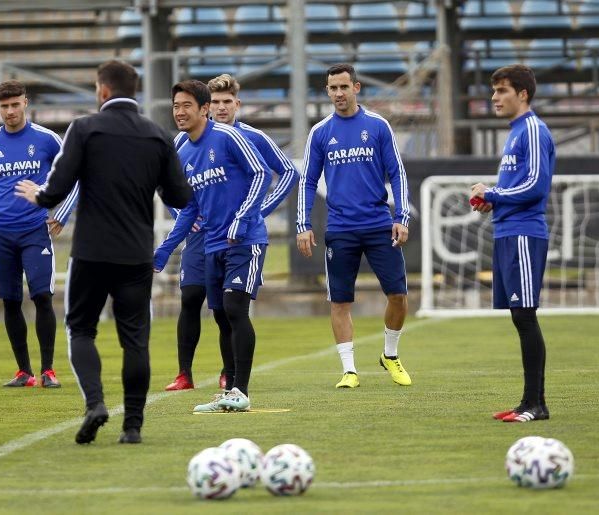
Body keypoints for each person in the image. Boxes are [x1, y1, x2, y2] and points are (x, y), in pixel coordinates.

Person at [14, 60, 192, 444]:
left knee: (80, 329)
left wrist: (39, 196)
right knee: (135, 341)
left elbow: (59, 186)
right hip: (136, 254)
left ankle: (95, 403)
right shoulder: (157, 135)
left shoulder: (84, 128)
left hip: (92, 252)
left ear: (103, 91)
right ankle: (133, 426)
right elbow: (179, 195)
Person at [158, 73, 297, 392]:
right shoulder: (183, 142)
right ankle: (184, 373)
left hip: (239, 235)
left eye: (226, 102)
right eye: (216, 102)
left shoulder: (249, 137)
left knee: (229, 308)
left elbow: (285, 172)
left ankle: (230, 376)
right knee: (192, 297)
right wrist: (181, 217)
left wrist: (256, 212)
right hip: (202, 236)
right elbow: (172, 188)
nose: (221, 108)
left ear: (237, 103)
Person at [296, 63, 412, 389]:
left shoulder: (378, 126)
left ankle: (390, 354)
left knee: (399, 295)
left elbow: (397, 174)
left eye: (343, 87)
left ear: (356, 88)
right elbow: (307, 181)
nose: (338, 94)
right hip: (341, 228)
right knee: (339, 301)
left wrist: (401, 217)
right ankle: (349, 370)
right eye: (332, 89)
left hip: (378, 224)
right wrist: (303, 224)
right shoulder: (320, 132)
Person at [0, 79, 79, 389]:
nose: (10, 111)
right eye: (4, 106)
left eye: (15, 105)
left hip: (35, 231)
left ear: (25, 103)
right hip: (1, 233)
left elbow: (76, 176)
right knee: (10, 301)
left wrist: (61, 213)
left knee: (42, 296)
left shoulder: (47, 139)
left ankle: (48, 370)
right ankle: (24, 372)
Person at [471, 65, 554, 423]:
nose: (494, 98)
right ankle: (528, 403)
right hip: (506, 230)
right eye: (494, 91)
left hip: (523, 232)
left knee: (525, 314)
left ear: (523, 94)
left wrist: (492, 192)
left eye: (502, 91)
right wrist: (493, 200)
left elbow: (536, 185)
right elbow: (516, 186)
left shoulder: (533, 130)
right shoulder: (516, 132)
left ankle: (536, 404)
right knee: (519, 317)